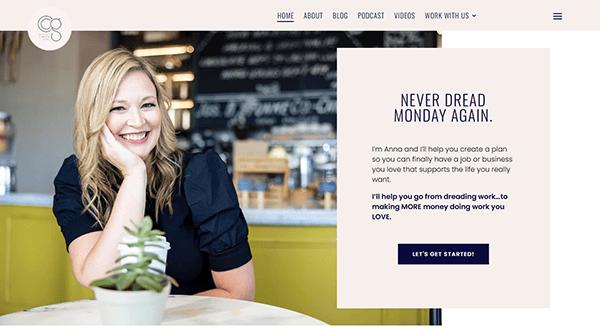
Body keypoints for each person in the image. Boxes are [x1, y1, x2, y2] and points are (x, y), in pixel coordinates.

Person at [52, 48, 255, 300]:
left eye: (147, 104)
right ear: (94, 116)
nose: (137, 121)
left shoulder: (201, 173)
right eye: (118, 108)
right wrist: (135, 174)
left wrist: (154, 317)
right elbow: (97, 276)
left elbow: (239, 293)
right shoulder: (77, 176)